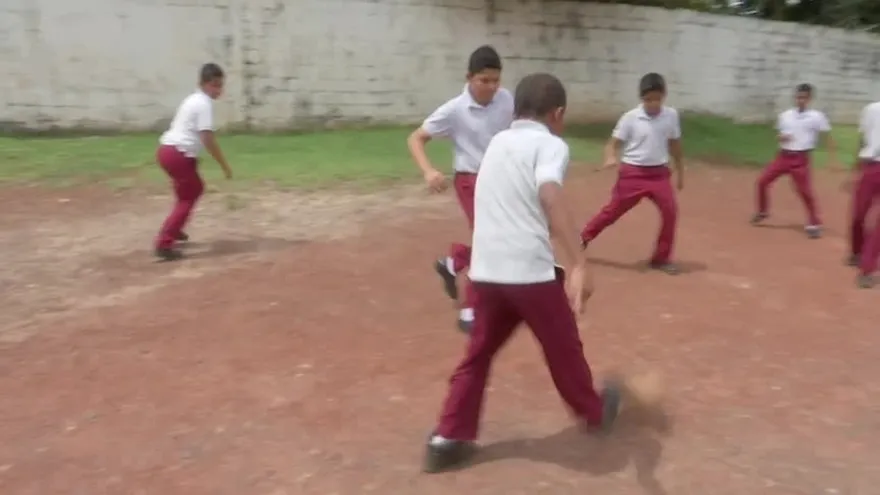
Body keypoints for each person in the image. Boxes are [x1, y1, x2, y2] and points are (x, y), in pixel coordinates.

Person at [423, 73, 621, 474]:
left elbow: (515, 201)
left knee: (477, 354)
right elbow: (549, 193)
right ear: (558, 114)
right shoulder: (550, 144)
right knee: (564, 347)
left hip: (487, 272)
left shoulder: (497, 142)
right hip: (529, 274)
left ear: (516, 111)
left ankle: (448, 437)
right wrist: (580, 262)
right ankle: (595, 412)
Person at [407, 45, 514, 334]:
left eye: (496, 80)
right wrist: (429, 171)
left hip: (500, 179)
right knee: (490, 241)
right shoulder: (454, 110)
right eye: (484, 81)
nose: (491, 87)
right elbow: (416, 138)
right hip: (470, 181)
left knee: (501, 238)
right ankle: (469, 308)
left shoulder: (506, 100)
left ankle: (453, 261)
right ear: (469, 77)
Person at [580, 73, 684, 274]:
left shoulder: (671, 116)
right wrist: (610, 157)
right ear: (640, 99)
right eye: (647, 100)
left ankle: (661, 258)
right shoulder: (630, 118)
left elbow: (675, 144)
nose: (653, 104)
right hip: (633, 173)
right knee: (613, 211)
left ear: (664, 96)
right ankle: (583, 238)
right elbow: (612, 144)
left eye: (657, 99)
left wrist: (680, 171)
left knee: (671, 211)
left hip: (659, 174)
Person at [154, 62, 233, 261]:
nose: (218, 90)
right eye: (214, 85)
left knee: (186, 193)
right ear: (203, 84)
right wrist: (224, 164)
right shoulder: (203, 103)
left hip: (168, 151)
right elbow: (207, 138)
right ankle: (164, 242)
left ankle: (175, 228)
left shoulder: (193, 99)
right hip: (176, 154)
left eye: (220, 85)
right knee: (192, 192)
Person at [751, 83, 838, 238]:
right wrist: (781, 137)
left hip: (801, 158)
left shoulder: (816, 117)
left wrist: (832, 160)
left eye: (804, 97)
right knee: (762, 182)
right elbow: (780, 135)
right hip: (783, 156)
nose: (800, 100)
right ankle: (763, 211)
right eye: (798, 97)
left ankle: (814, 223)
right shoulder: (785, 115)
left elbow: (828, 137)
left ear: (810, 99)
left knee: (805, 191)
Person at [850, 99, 880, 288]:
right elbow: (862, 139)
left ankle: (867, 269)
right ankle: (857, 251)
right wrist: (857, 166)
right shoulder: (872, 109)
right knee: (858, 214)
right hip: (871, 166)